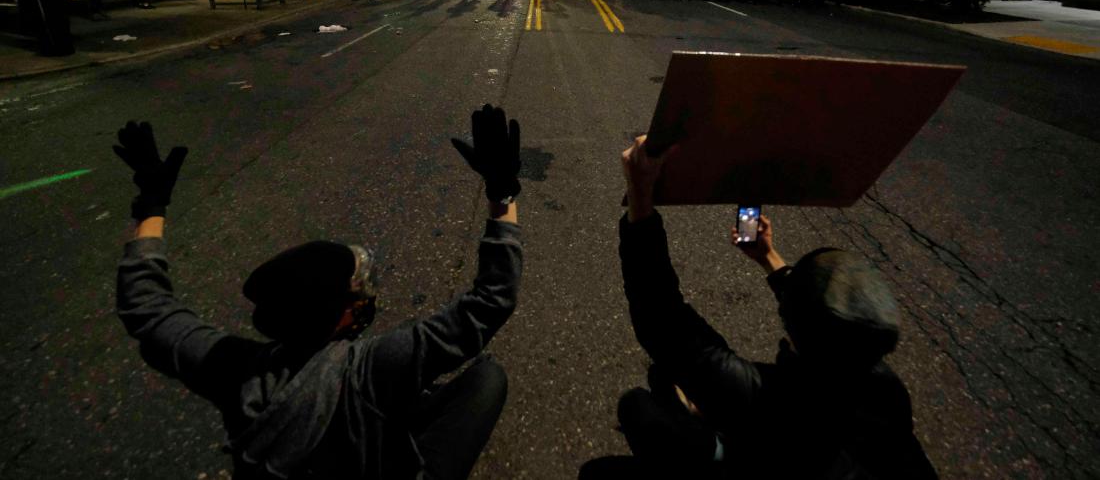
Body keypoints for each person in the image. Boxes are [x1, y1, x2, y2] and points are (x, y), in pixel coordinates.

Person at [112, 105, 524, 479]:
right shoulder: (371, 368)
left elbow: (148, 310)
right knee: (487, 377)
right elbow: (491, 300)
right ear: (337, 316)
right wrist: (501, 193)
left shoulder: (234, 370)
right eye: (355, 292)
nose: (364, 297)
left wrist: (151, 205)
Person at [579, 135, 939, 480]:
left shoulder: (767, 402)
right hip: (791, 458)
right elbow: (824, 322)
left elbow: (661, 318)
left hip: (758, 456)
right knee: (669, 384)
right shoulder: (884, 391)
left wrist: (641, 193)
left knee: (621, 435)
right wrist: (768, 257)